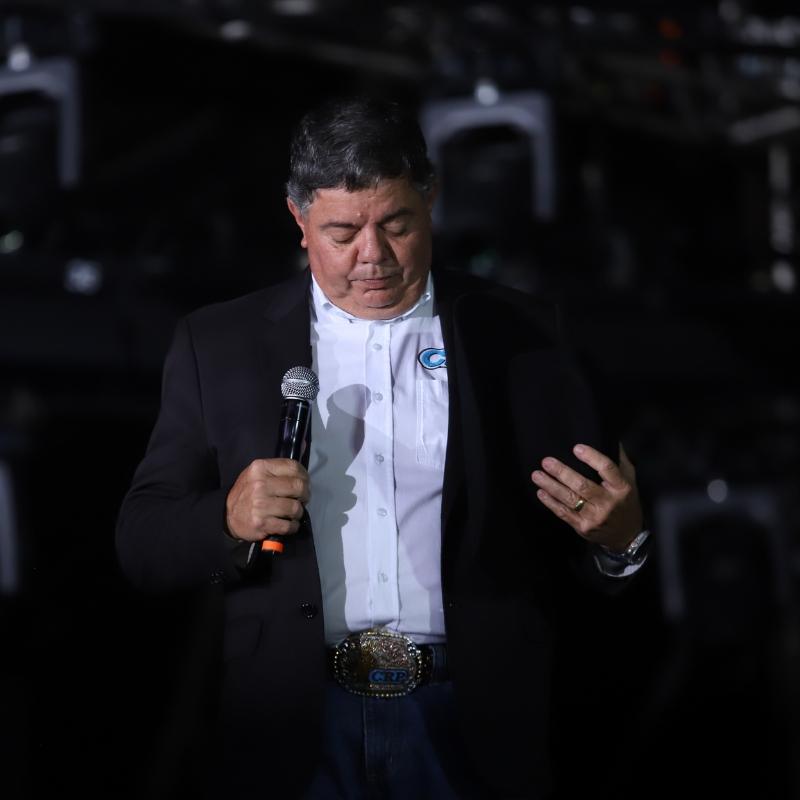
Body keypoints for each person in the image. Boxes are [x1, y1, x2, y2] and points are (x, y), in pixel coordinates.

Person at [115, 95, 651, 800]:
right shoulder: (218, 344)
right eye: (342, 232)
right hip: (293, 727)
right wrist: (227, 518)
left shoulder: (525, 336)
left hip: (470, 723)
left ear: (431, 198)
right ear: (298, 218)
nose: (373, 256)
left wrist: (620, 541)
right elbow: (142, 542)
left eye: (396, 224)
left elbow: (589, 549)